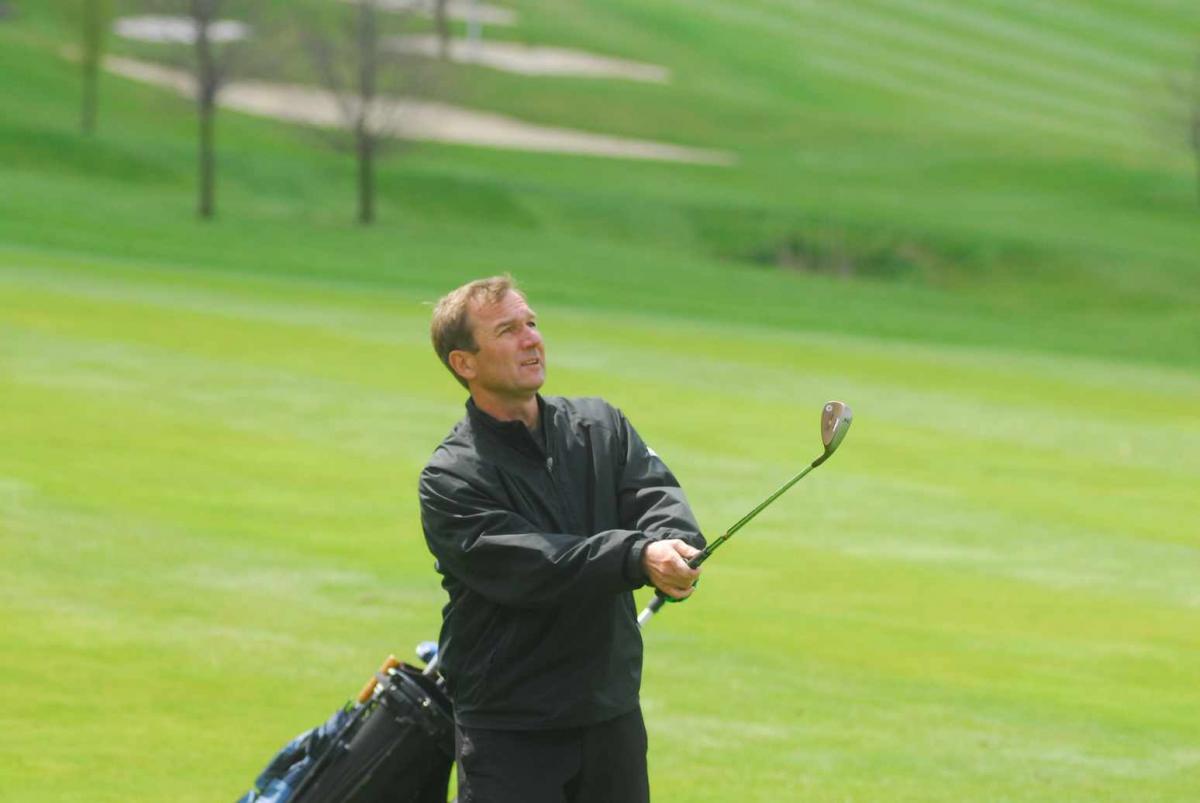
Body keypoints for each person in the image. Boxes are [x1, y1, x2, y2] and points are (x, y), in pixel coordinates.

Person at [419, 276, 705, 803]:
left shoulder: (600, 427)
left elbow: (655, 494)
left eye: (531, 323)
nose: (531, 339)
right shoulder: (452, 478)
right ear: (465, 363)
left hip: (609, 713)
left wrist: (675, 545)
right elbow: (538, 566)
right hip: (510, 727)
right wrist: (638, 555)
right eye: (507, 330)